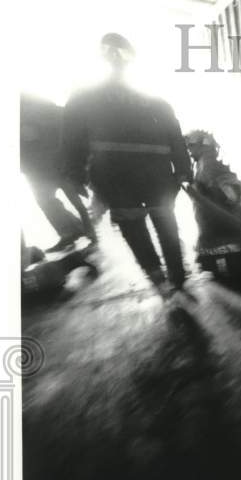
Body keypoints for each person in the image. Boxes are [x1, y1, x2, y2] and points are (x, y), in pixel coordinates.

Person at [62, 33, 191, 292]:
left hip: (118, 178)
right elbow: (175, 138)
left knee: (137, 228)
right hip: (153, 177)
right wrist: (183, 170)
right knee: (163, 224)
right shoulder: (154, 101)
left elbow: (71, 142)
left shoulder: (82, 100)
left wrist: (74, 175)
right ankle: (174, 276)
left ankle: (161, 278)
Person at [182, 129, 241, 291]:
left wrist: (210, 194)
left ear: (201, 146)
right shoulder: (204, 165)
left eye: (190, 146)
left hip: (224, 236)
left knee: (232, 280)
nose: (188, 150)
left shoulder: (209, 166)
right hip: (223, 234)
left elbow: (231, 194)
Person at [21, 94, 95, 250]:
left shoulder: (39, 106)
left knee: (71, 200)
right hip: (39, 169)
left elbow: (66, 123)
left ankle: (79, 231)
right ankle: (73, 231)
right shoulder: (40, 105)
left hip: (54, 165)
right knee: (49, 201)